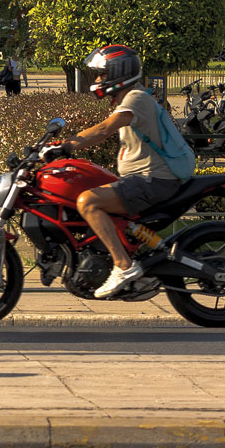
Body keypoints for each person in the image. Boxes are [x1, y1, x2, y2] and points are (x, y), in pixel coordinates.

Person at [60, 44, 193, 300]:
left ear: (117, 73)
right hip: (143, 179)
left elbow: (104, 129)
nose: (98, 79)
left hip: (153, 180)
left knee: (88, 202)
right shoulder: (129, 98)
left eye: (101, 74)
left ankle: (123, 266)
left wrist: (67, 145)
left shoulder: (136, 98)